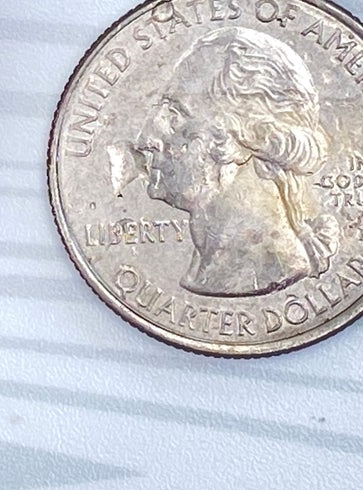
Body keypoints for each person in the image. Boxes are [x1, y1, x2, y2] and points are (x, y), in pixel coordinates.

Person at [134, 27, 338, 297]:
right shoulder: (207, 268)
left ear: (247, 136)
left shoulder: (268, 268)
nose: (145, 139)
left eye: (175, 115)